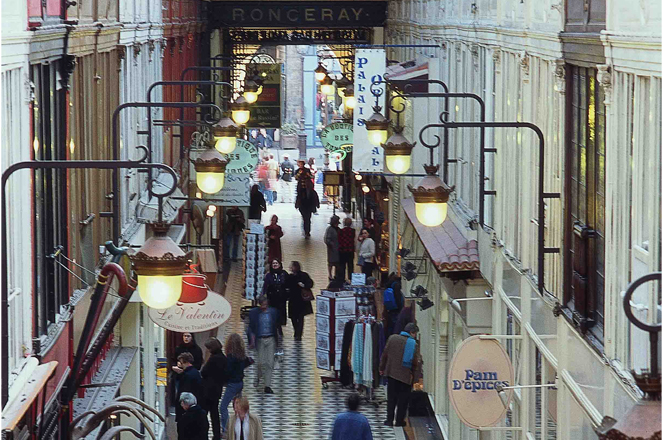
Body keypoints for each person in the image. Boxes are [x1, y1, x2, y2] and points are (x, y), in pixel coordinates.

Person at [379, 322, 422, 427]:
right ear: (411, 332)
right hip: (405, 377)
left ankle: (389, 420)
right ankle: (399, 421)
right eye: (415, 333)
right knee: (403, 401)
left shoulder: (392, 338)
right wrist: (416, 379)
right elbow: (416, 363)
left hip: (392, 374)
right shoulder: (413, 344)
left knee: (391, 399)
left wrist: (381, 368)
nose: (415, 336)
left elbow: (385, 354)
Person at [221, 333, 253, 436]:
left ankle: (226, 430)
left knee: (223, 407)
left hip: (232, 384)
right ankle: (241, 427)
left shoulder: (230, 357)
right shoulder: (241, 356)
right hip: (240, 383)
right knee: (238, 406)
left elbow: (228, 371)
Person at [248, 296, 280, 394]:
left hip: (270, 339)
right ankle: (258, 376)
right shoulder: (254, 313)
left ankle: (267, 386)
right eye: (262, 305)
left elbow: (277, 325)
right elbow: (250, 328)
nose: (264, 307)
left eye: (265, 305)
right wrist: (251, 341)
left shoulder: (273, 312)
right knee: (260, 363)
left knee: (270, 363)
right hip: (260, 339)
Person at [201, 337, 227, 440]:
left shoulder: (213, 359)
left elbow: (204, 372)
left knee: (204, 414)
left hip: (208, 390)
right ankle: (217, 435)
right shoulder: (224, 358)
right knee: (215, 414)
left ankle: (203, 434)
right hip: (217, 390)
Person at [171, 332, 203, 408]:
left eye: (188, 336)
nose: (186, 338)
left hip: (190, 375)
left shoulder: (197, 349)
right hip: (179, 375)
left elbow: (199, 364)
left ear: (192, 337)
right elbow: (173, 359)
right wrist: (175, 367)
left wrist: (188, 369)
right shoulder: (178, 348)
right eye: (184, 336)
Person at [285, 261, 314, 341]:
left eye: (292, 266)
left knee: (300, 317)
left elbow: (310, 283)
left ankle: (299, 333)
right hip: (292, 300)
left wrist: (304, 285)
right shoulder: (289, 277)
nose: (290, 268)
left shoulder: (304, 275)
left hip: (301, 300)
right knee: (293, 317)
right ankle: (296, 331)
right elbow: (286, 285)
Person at [173, 352, 203, 422]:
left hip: (186, 407)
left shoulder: (187, 375)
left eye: (181, 362)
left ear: (185, 362)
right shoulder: (195, 372)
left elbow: (184, 391)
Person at [262, 259, 288, 339]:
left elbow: (288, 284)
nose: (275, 265)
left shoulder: (284, 274)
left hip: (281, 298)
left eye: (276, 263)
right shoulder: (269, 275)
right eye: (273, 263)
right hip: (272, 298)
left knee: (280, 313)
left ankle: (279, 328)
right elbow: (265, 286)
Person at [337, 217, 356, 281]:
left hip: (342, 251)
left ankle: (342, 278)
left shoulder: (341, 231)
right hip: (350, 251)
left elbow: (339, 240)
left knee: (342, 265)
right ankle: (350, 278)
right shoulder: (353, 231)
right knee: (350, 265)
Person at [324, 215, 341, 280]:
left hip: (338, 249)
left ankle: (336, 275)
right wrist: (332, 244)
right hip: (332, 250)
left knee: (337, 263)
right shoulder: (329, 229)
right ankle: (330, 275)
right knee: (331, 263)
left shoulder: (339, 230)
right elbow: (327, 239)